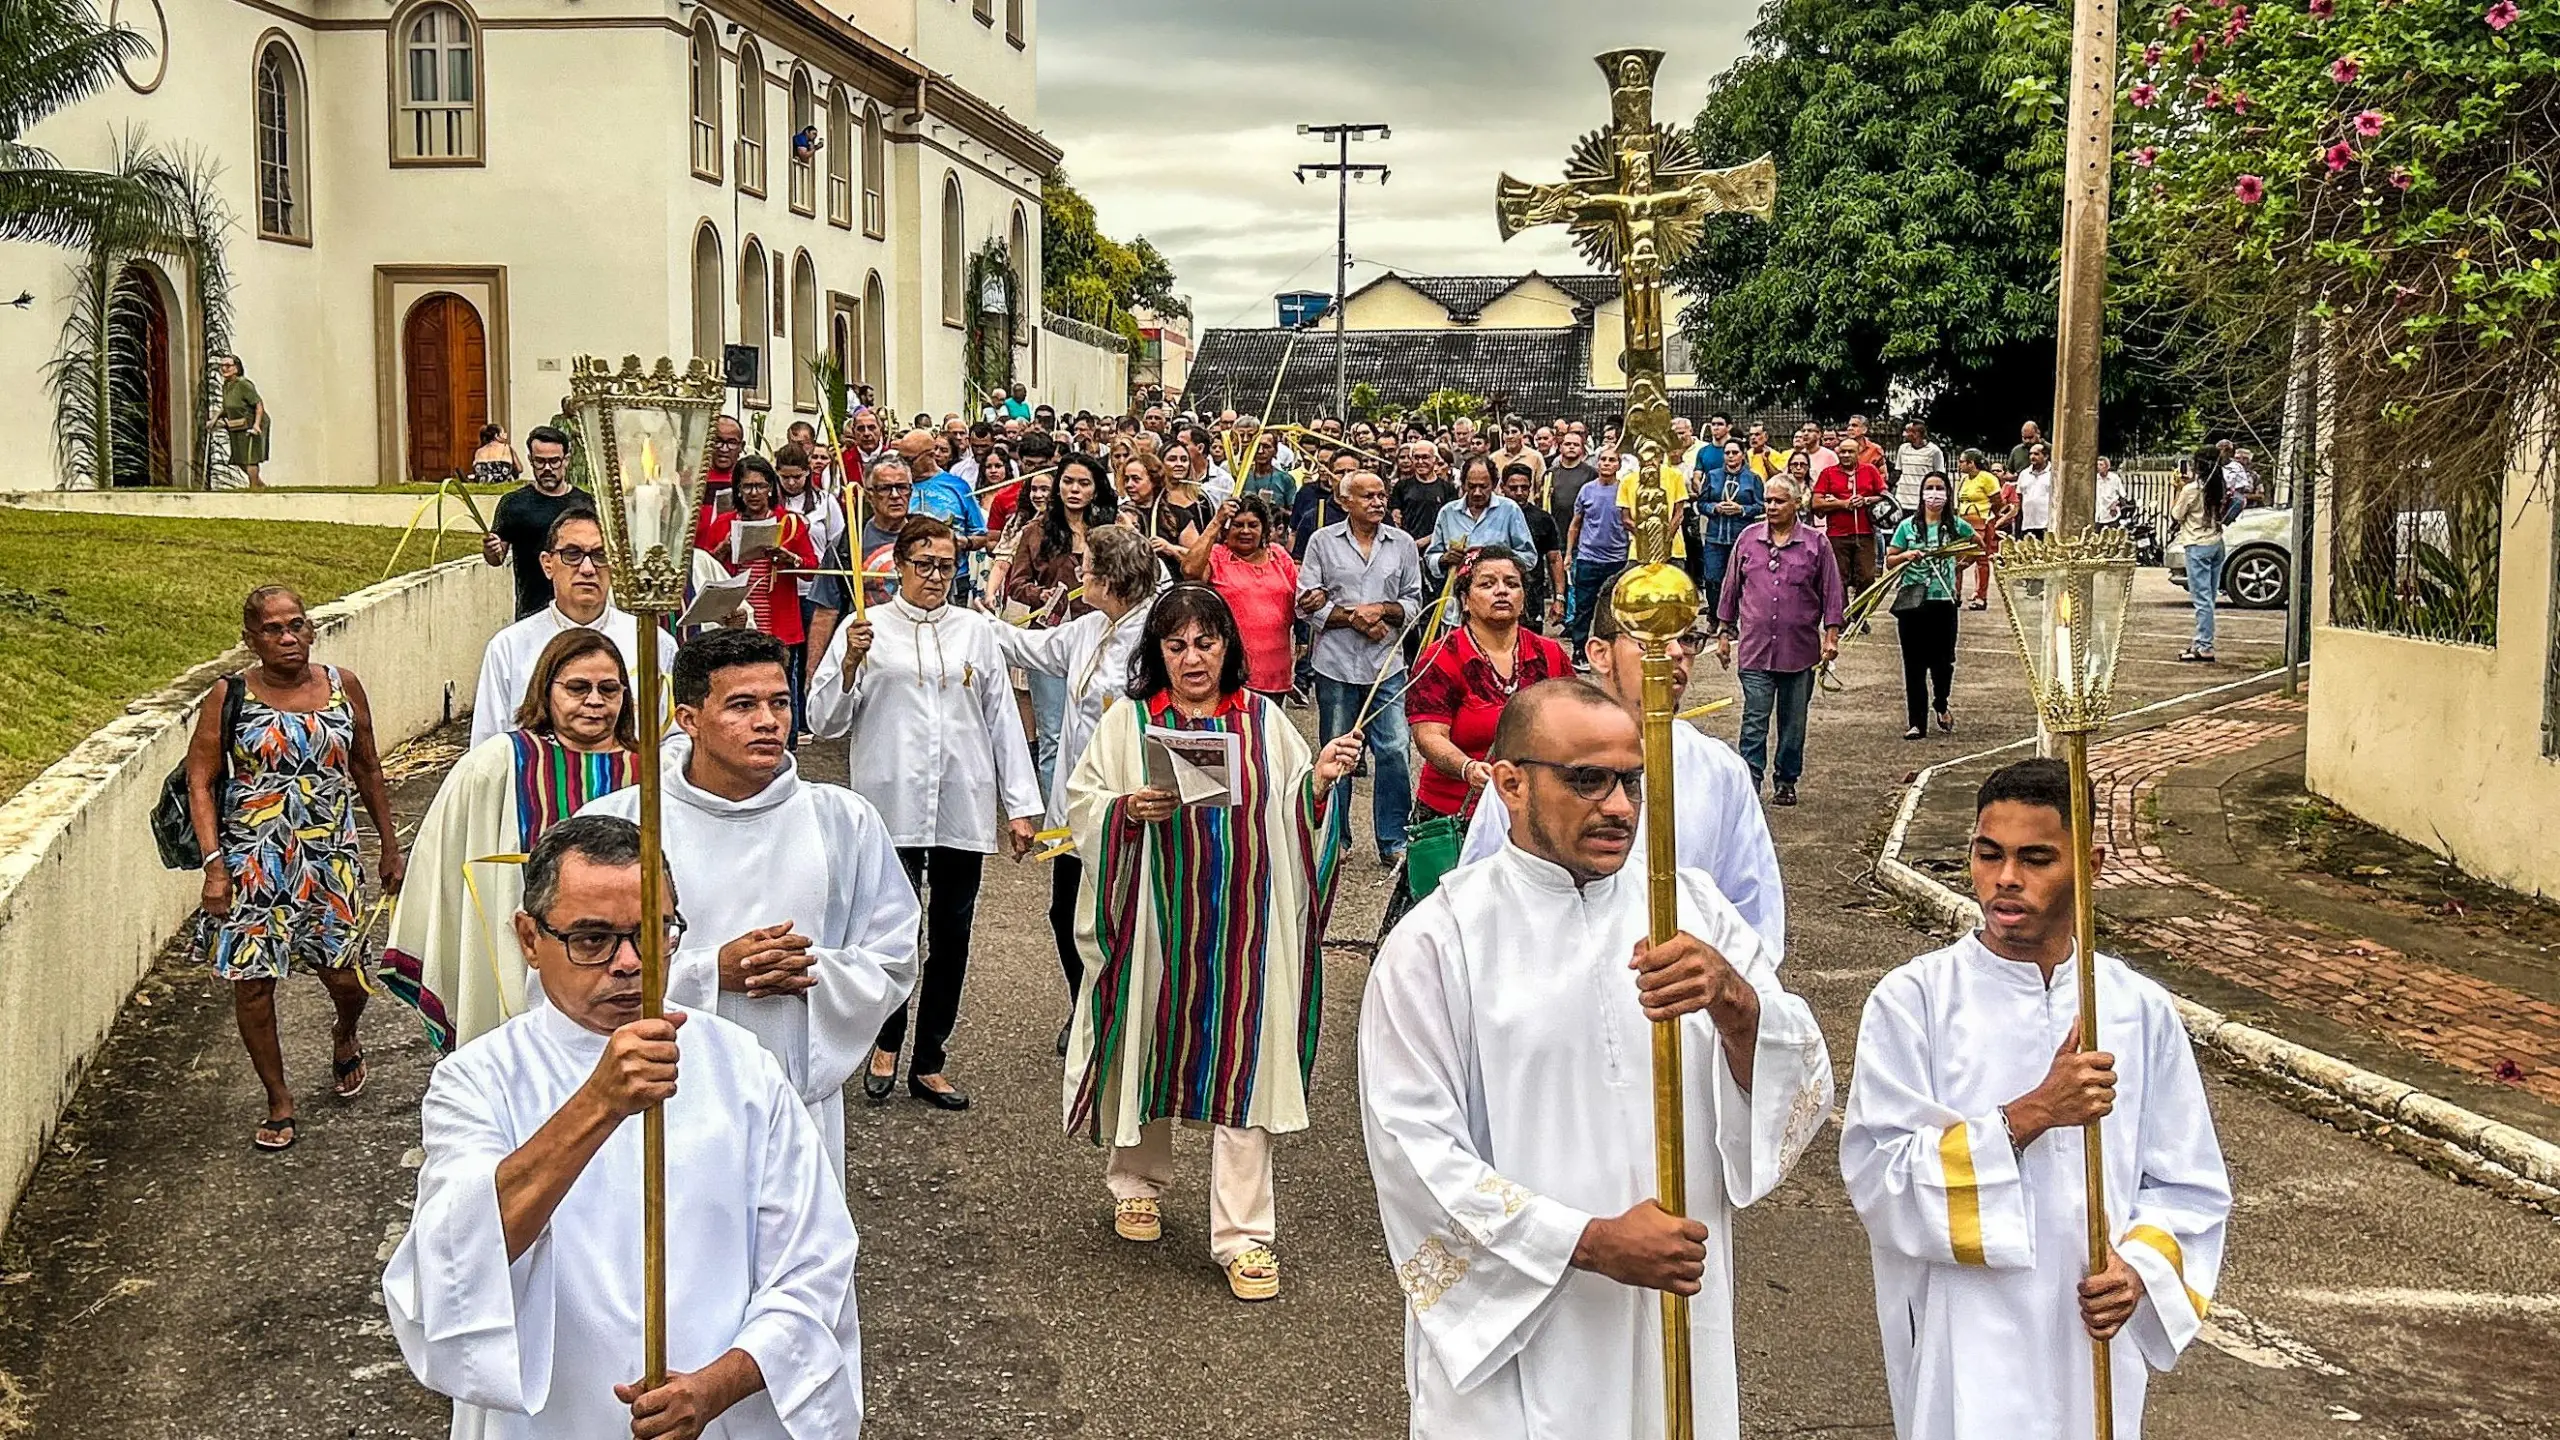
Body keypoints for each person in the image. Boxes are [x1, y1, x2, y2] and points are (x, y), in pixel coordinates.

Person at [1360, 678, 1833, 1439]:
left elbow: (1801, 1079)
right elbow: (1411, 1149)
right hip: (1522, 1335)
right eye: (1588, 780)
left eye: (1631, 780)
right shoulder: (1439, 943)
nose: (1619, 806)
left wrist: (1737, 1005)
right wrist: (1588, 1241)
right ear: (1510, 783)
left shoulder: (1689, 910)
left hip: (1677, 1307)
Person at [383, 815, 867, 1440]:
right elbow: (456, 1256)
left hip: (719, 1416)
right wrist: (600, 1103)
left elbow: (814, 1260)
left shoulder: (741, 1064)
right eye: (591, 940)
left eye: (653, 933)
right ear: (529, 938)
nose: (629, 964)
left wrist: (715, 1385)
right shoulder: (477, 1080)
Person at [1840, 758, 2230, 1440]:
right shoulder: (1914, 1003)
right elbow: (1880, 1181)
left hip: (2091, 1341)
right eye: (1989, 855)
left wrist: (2138, 1269)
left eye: (2036, 858)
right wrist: (2031, 1116)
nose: (2006, 879)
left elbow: (2189, 1187)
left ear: (2091, 863)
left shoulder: (2136, 1008)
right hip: (1965, 1338)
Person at [1064, 587, 1364, 1302]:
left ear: (1229, 646)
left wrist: (1317, 784)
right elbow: (1085, 803)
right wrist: (1127, 809)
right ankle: (1136, 1180)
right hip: (1155, 917)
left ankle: (1244, 1234)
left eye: (1206, 643)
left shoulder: (1264, 720)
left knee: (1246, 1062)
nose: (1193, 658)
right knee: (1148, 1036)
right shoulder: (1130, 723)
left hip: (1245, 928)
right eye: (1176, 645)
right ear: (1156, 653)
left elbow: (1294, 806)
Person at [584, 628, 920, 1174]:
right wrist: (712, 972)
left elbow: (894, 952)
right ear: (688, 718)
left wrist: (814, 969)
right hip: (659, 1104)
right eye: (742, 705)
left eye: (780, 702)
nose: (768, 721)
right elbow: (571, 974)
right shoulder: (624, 825)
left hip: (794, 1101)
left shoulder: (844, 820)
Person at [805, 517, 1042, 1112]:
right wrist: (852, 666)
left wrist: (1020, 806)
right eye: (924, 564)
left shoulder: (975, 631)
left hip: (962, 801)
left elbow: (1002, 719)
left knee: (953, 936)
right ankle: (885, 1041)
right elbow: (824, 721)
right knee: (894, 934)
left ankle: (930, 1058)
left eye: (946, 564)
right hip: (891, 804)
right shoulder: (868, 629)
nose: (936, 575)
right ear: (899, 567)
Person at [187, 585, 403, 1151]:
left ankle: (345, 1029)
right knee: (254, 986)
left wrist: (390, 846)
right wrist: (214, 865)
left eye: (296, 626)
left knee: (346, 978)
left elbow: (368, 767)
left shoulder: (342, 686)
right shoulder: (228, 695)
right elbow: (201, 780)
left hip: (329, 861)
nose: (288, 638)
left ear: (311, 629)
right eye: (272, 629)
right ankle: (278, 1098)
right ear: (251, 638)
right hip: (251, 864)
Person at [1460, 604, 1785, 954]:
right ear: (1600, 654)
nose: (1675, 652)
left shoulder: (1720, 770)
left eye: (1687, 639)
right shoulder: (1537, 764)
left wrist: (1724, 990)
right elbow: (1482, 899)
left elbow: (1753, 911)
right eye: (1651, 639)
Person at [385, 628, 638, 1054]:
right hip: (516, 954)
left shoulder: (650, 770)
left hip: (627, 956)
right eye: (578, 688)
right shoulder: (498, 763)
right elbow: (444, 862)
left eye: (608, 689)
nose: (595, 701)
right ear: (546, 689)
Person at [992, 527, 1159, 1055]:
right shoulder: (1088, 627)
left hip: (1131, 802)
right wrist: (971, 624)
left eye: (1086, 565)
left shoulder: (1158, 634)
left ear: (1110, 577)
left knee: (1130, 912)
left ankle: (1136, 1014)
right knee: (1066, 911)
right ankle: (1085, 1003)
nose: (1077, 572)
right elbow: (1028, 646)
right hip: (1076, 804)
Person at [1297, 470, 1424, 865]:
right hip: (1335, 664)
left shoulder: (1402, 544)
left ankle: (1393, 840)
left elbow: (1414, 602)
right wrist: (1354, 618)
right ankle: (1338, 839)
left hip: (1386, 664)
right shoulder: (1322, 542)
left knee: (1395, 750)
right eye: (1367, 496)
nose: (1377, 502)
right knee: (1338, 753)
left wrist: (1383, 610)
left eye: (1382, 495)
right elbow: (1306, 601)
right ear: (1345, 502)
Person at [472, 507, 673, 748]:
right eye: (572, 554)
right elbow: (487, 747)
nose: (588, 568)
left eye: (600, 555)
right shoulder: (509, 647)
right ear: (547, 565)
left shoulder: (653, 642)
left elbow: (676, 740)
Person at [1403, 546, 1572, 826]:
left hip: (1535, 813)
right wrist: (1466, 768)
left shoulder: (1550, 654)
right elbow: (1429, 736)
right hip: (1454, 814)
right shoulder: (1442, 657)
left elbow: (1574, 726)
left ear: (1523, 597)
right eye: (1487, 584)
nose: (1502, 591)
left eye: (1512, 584)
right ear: (1465, 600)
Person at [1714, 474, 1843, 807]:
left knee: (1793, 721)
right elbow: (1730, 588)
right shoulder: (1748, 539)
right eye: (1768, 500)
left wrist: (1831, 635)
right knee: (1754, 718)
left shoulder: (1817, 544)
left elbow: (1831, 593)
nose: (1771, 507)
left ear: (1796, 503)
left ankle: (1786, 779)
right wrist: (1724, 631)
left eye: (1779, 501)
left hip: (1799, 651)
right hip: (1755, 648)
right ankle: (1750, 782)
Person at [1886, 473, 1978, 740]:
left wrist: (1961, 562)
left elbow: (1979, 547)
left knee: (1943, 661)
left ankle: (1941, 703)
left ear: (1947, 494)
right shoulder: (1908, 527)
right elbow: (1891, 560)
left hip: (1943, 601)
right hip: (1913, 601)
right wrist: (1907, 555)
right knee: (1913, 664)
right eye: (1929, 488)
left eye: (1939, 488)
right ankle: (1916, 722)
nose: (1934, 494)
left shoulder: (1956, 526)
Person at [803, 454, 919, 666]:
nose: (895, 495)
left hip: (918, 651)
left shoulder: (928, 538)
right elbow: (826, 611)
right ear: (869, 495)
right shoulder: (848, 543)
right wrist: (813, 672)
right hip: (866, 655)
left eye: (902, 487)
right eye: (885, 488)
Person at [1188, 494, 1302, 701]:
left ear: (1264, 528)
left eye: (1253, 525)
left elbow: (1301, 598)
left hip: (1275, 674)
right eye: (1238, 525)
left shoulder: (1279, 555)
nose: (1246, 531)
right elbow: (1189, 570)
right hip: (1229, 673)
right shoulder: (1216, 555)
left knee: (1266, 732)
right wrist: (1216, 521)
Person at [480, 426, 589, 619]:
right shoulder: (513, 504)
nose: (547, 468)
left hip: (580, 613)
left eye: (554, 461)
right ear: (530, 460)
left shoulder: (586, 504)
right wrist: (490, 550)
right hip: (531, 611)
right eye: (540, 461)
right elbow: (496, 558)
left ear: (566, 460)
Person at [1563, 447, 1633, 651]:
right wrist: (1569, 553)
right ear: (1597, 462)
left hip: (1617, 558)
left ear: (1619, 465)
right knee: (1583, 607)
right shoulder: (1587, 490)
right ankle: (1579, 649)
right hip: (1588, 557)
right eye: (1603, 459)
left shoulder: (1624, 490)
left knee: (1613, 609)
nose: (1607, 463)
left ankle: (1610, 648)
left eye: (1612, 460)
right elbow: (1575, 524)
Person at [1430, 453, 1536, 584]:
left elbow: (1529, 558)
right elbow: (1431, 557)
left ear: (1494, 484)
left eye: (1483, 486)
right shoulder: (1448, 513)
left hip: (1498, 593)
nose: (1477, 493)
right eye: (1472, 486)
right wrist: (1443, 559)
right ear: (1463, 484)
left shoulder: (1509, 510)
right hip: (1457, 595)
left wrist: (1496, 558)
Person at [2169, 450, 2228, 665]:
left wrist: (2178, 489)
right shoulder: (2220, 485)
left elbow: (2176, 514)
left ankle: (2205, 645)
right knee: (2209, 597)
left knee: (2201, 599)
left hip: (2197, 544)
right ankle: (2202, 641)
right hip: (2216, 542)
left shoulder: (2192, 489)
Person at [1812, 446, 1889, 601]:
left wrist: (1866, 500)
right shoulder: (1828, 473)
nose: (1846, 455)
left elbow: (1884, 495)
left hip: (1865, 533)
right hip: (1838, 534)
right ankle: (1843, 615)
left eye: (1850, 451)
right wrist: (1842, 504)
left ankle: (1860, 614)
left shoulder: (1870, 470)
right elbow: (1816, 503)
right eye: (1843, 451)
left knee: (1867, 577)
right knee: (1839, 578)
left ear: (1857, 453)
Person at [1499, 464, 1567, 634]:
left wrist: (1558, 598)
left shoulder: (1542, 519)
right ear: (1502, 487)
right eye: (1513, 488)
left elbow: (1554, 559)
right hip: (1498, 594)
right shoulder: (1492, 516)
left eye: (1524, 487)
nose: (1519, 492)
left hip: (1532, 597)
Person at [1122, 448, 1205, 583]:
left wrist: (1170, 548)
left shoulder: (1180, 516)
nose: (1129, 485)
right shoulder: (1121, 515)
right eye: (1126, 479)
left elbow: (1199, 561)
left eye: (1136, 479)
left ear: (1154, 480)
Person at [1699, 437, 1762, 604]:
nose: (1731, 456)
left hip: (1741, 539)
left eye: (1735, 452)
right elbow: (1701, 504)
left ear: (1742, 455)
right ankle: (1714, 618)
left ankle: (1733, 623)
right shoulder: (1712, 476)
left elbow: (1761, 506)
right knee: (1713, 579)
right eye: (1727, 453)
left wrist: (1742, 510)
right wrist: (1715, 508)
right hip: (1715, 538)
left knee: (1739, 580)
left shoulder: (1753, 478)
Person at [1955, 450, 2006, 610]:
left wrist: (1991, 519)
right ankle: (1955, 593)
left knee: (1981, 559)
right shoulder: (1964, 480)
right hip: (1964, 523)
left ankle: (1980, 596)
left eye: (1962, 461)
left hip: (1983, 522)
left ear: (1971, 463)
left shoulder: (1987, 478)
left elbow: (1997, 502)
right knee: (1957, 558)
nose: (1959, 464)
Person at [211, 353, 270, 487]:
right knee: (239, 458)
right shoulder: (226, 385)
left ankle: (254, 487)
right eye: (222, 366)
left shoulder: (244, 384)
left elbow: (258, 404)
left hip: (251, 423)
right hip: (236, 424)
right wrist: (214, 419)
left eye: (228, 366)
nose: (224, 369)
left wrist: (256, 425)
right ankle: (261, 486)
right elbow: (226, 407)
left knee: (250, 457)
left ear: (236, 368)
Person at [1390, 439, 1459, 544]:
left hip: (1436, 547)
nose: (1420, 462)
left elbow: (1449, 523)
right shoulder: (1401, 486)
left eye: (1425, 457)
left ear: (1435, 460)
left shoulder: (1448, 489)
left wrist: (1424, 542)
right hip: (1406, 545)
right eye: (1416, 457)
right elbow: (1396, 519)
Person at [1892, 420, 1950, 517]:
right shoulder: (1903, 448)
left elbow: (1940, 476)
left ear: (1916, 434)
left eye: (1907, 431)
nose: (1903, 434)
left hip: (1922, 501)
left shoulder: (1934, 451)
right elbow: (1898, 471)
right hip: (1902, 499)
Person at [2015, 442, 2056, 539]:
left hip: (2046, 525)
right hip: (2027, 524)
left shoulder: (2054, 474)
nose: (2032, 457)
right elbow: (2019, 497)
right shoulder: (2024, 474)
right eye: (2030, 454)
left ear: (2045, 456)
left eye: (2036, 454)